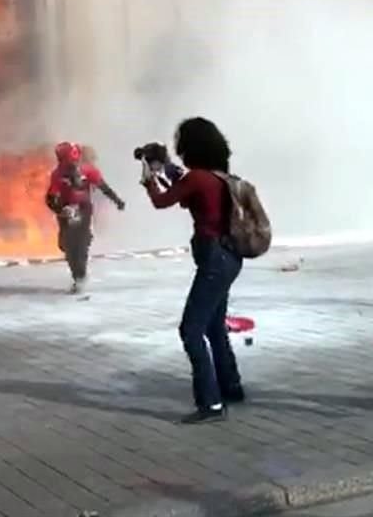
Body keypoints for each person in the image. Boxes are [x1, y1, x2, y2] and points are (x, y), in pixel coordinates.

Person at [140, 117, 245, 424]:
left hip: (213, 259)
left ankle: (211, 403)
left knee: (191, 329)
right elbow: (186, 188)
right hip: (229, 257)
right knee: (214, 326)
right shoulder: (218, 176)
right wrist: (165, 166)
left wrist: (149, 178)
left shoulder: (198, 178)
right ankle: (231, 386)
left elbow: (163, 201)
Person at [45, 142, 125, 293]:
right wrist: (60, 210)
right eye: (68, 164)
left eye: (74, 163)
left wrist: (117, 200)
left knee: (80, 245)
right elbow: (50, 198)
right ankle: (77, 273)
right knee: (67, 246)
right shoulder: (57, 174)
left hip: (84, 210)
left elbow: (103, 186)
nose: (72, 167)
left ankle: (80, 275)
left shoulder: (89, 171)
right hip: (66, 211)